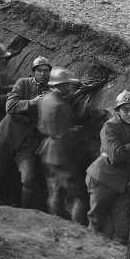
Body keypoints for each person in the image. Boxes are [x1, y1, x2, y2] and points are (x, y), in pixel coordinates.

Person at [0, 56, 52, 210]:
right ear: (33, 72)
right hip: (7, 133)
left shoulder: (51, 92)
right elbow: (10, 106)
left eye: (46, 71)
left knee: (29, 178)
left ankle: (25, 213)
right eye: (39, 70)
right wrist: (32, 103)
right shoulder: (23, 83)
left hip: (28, 142)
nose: (43, 74)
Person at [36, 68, 89, 226]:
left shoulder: (46, 99)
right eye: (66, 84)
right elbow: (64, 136)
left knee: (56, 191)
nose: (70, 87)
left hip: (48, 152)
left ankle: (54, 224)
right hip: (61, 155)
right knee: (80, 194)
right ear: (58, 86)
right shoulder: (59, 105)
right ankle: (78, 229)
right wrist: (77, 131)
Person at [85, 90, 130, 245]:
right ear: (117, 111)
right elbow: (115, 155)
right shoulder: (110, 126)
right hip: (103, 180)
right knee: (96, 224)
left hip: (123, 185)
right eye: (125, 110)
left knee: (123, 231)